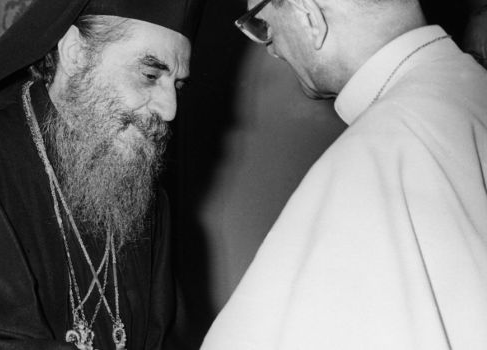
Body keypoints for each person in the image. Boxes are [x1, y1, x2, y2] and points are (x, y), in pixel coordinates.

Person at [201, 0, 487, 349]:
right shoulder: (472, 89)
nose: (272, 49)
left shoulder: (370, 161)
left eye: (262, 26)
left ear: (309, 16)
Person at [0, 0, 203, 349]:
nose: (169, 110)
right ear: (75, 53)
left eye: (177, 85)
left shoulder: (144, 193)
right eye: (149, 75)